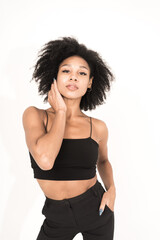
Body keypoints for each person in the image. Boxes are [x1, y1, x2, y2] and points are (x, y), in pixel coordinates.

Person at [22, 36, 116, 240]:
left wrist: (112, 189)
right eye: (66, 71)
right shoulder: (36, 115)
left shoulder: (97, 126)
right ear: (54, 76)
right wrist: (61, 112)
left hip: (96, 208)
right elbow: (45, 161)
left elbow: (103, 160)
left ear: (90, 82)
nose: (73, 77)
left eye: (82, 73)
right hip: (56, 216)